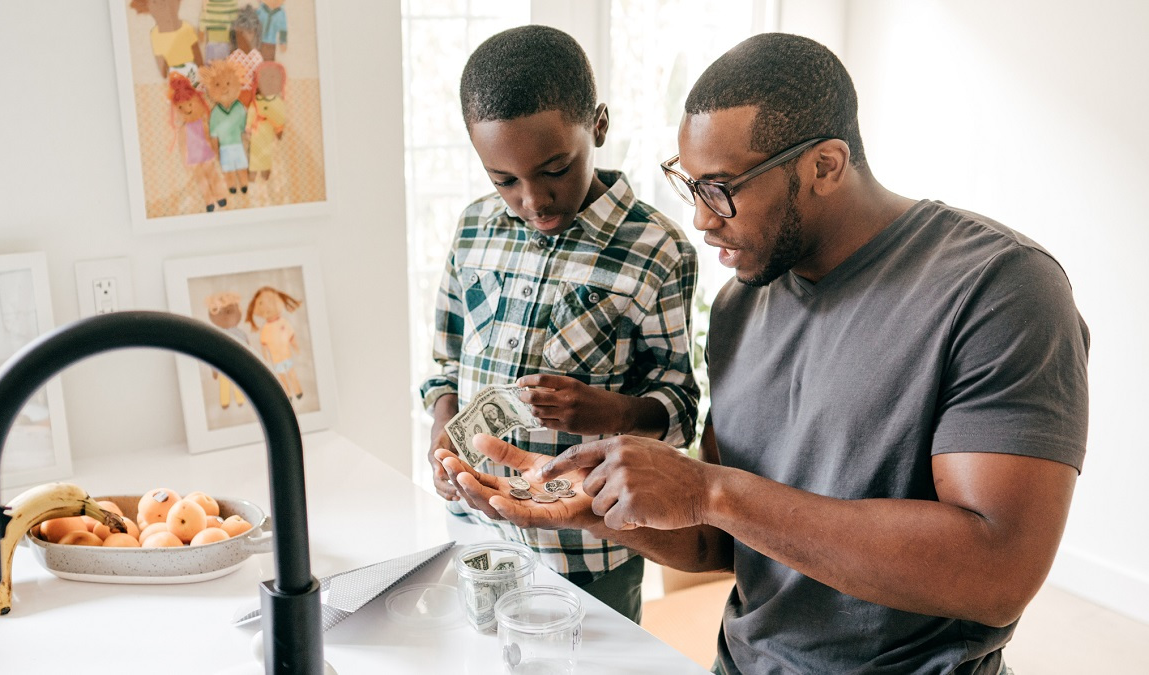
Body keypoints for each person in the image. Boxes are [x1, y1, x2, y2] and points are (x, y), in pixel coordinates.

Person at [440, 33, 1088, 674]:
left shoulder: (999, 287)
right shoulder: (737, 307)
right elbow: (721, 540)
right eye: (690, 184)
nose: (701, 219)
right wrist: (599, 509)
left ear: (824, 166)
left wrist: (708, 488)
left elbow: (995, 573)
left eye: (721, 188)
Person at [419, 25, 700, 624]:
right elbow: (445, 362)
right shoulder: (473, 229)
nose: (534, 200)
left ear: (598, 126)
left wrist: (608, 412)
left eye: (554, 169)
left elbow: (679, 408)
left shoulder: (657, 250)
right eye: (504, 181)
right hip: (475, 532)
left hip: (589, 552)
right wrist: (444, 430)